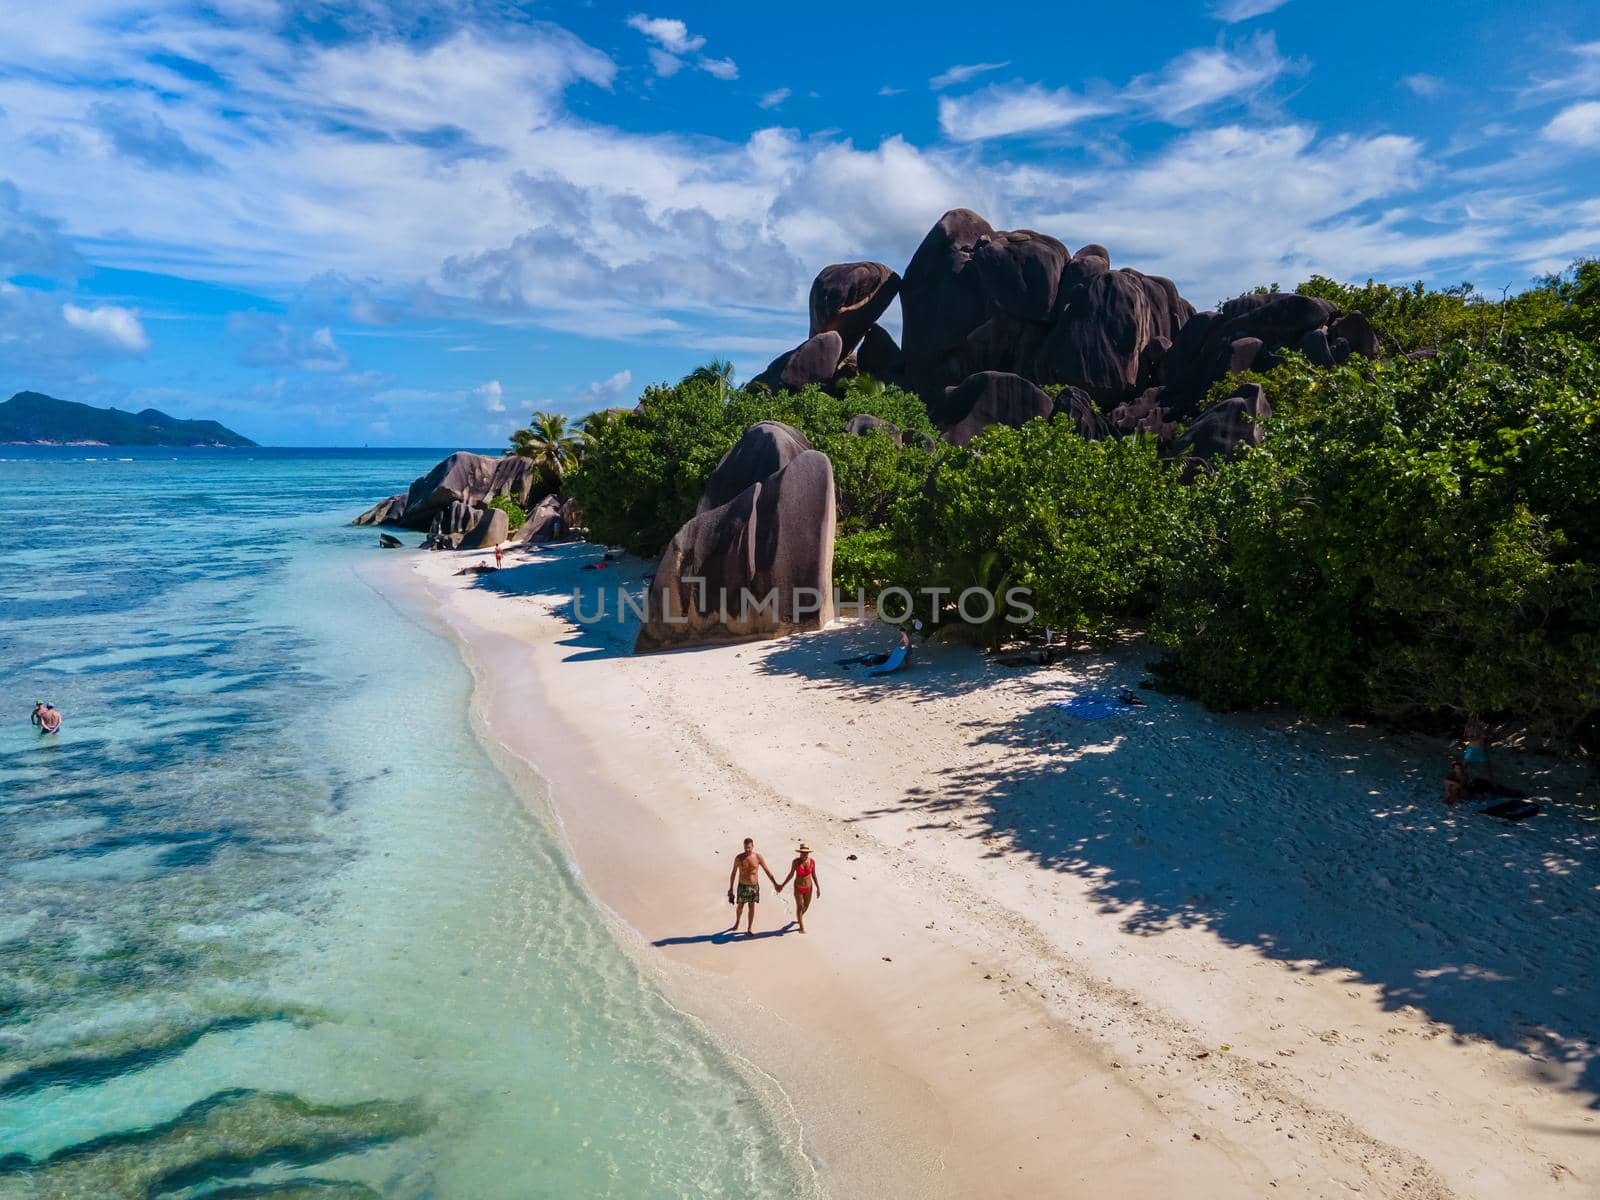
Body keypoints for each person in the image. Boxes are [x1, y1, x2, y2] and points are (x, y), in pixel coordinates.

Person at [726, 837, 779, 937]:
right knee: (740, 907)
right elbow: (733, 873)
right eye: (745, 848)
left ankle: (749, 927)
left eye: (749, 848)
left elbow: (767, 871)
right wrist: (731, 889)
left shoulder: (758, 857)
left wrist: (775, 884)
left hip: (753, 887)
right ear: (743, 847)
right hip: (742, 886)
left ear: (752, 846)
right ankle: (737, 922)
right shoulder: (739, 858)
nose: (747, 850)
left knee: (751, 906)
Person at [777, 842, 821, 933]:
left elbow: (814, 875)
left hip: (809, 887)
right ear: (800, 853)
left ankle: (799, 917)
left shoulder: (812, 862)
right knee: (800, 906)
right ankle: (801, 927)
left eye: (806, 853)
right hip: (798, 887)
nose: (805, 854)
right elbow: (791, 874)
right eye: (803, 853)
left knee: (806, 906)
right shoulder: (796, 862)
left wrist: (818, 888)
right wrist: (782, 885)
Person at [1461, 717, 1495, 787]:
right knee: (1464, 766)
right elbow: (1469, 738)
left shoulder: (1484, 727)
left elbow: (1490, 736)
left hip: (1481, 749)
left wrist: (1484, 733)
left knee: (1487, 768)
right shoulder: (1469, 727)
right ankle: (1458, 780)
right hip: (1472, 749)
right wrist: (1480, 736)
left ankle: (1492, 784)